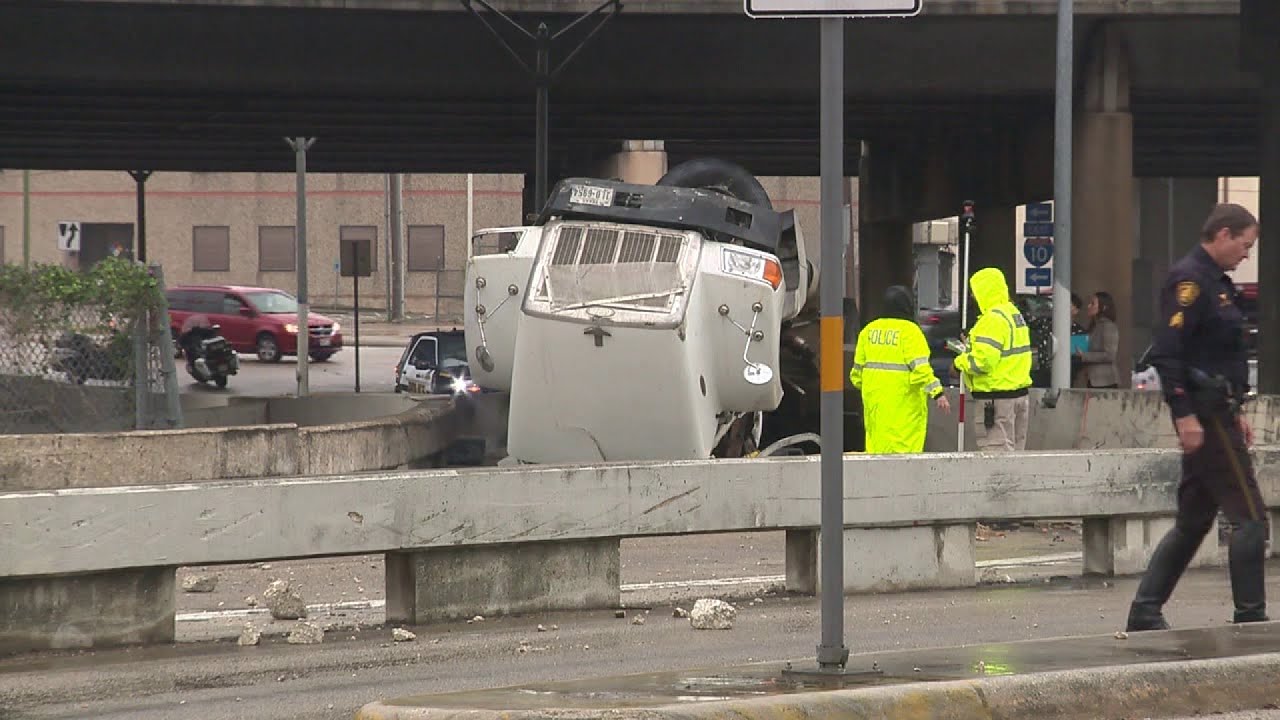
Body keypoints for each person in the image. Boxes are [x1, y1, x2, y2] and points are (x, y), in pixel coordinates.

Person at [1125, 202, 1267, 631]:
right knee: (1250, 519)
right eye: (1244, 245)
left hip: (1219, 409)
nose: (1246, 255)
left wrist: (1236, 408)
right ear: (1222, 234)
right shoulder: (1189, 280)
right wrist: (1184, 414)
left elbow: (1218, 354)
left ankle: (1145, 611)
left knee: (1193, 521)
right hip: (1204, 414)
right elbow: (1169, 354)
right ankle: (1251, 619)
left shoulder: (1216, 284)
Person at [850, 285, 950, 454]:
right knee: (903, 457)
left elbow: (856, 376)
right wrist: (937, 393)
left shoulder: (868, 331)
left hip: (876, 406)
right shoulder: (910, 332)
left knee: (876, 452)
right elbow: (921, 370)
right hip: (905, 408)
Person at [952, 267, 1033, 451]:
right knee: (1015, 458)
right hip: (1018, 397)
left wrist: (959, 363)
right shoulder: (1013, 314)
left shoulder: (992, 319)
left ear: (985, 290)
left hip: (996, 402)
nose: (973, 297)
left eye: (975, 292)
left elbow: (983, 361)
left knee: (997, 460)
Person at [1076, 291, 1120, 389]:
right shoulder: (1094, 326)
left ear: (1103, 307)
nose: (1088, 306)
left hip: (1105, 381)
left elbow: (1110, 355)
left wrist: (1085, 356)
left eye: (1092, 304)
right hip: (1091, 379)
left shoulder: (1108, 326)